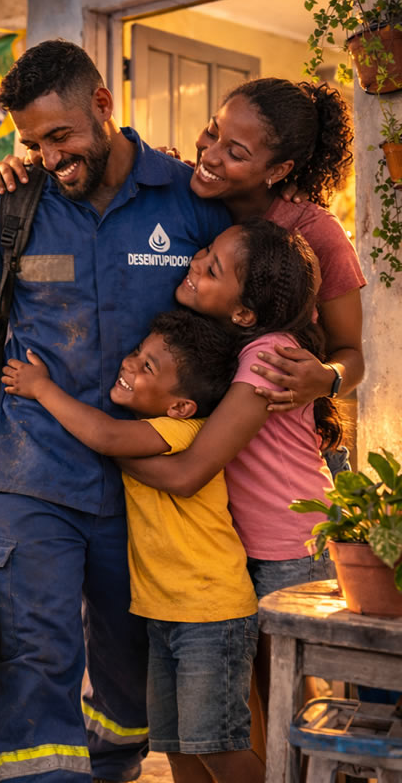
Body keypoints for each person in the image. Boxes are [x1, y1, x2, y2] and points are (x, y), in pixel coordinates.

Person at [0, 39, 231, 783]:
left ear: (103, 105)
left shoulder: (186, 199)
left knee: (128, 655)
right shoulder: (10, 208)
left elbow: (240, 314)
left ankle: (114, 764)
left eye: (61, 137)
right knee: (34, 648)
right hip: (33, 469)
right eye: (33, 144)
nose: (49, 158)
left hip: (146, 482)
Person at [0, 77, 365, 423]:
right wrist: (31, 168)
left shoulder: (313, 233)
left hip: (281, 437)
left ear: (279, 171)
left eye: (235, 153)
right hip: (194, 428)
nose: (210, 155)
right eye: (212, 131)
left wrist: (328, 379)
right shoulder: (175, 192)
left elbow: (352, 355)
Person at [1, 308, 264, 783]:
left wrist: (41, 388)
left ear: (181, 406)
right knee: (178, 748)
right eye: (138, 352)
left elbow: (103, 436)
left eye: (148, 367)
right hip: (166, 613)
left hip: (210, 614)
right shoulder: (152, 431)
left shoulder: (181, 432)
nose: (129, 363)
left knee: (217, 746)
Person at [120, 218, 343, 723]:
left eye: (213, 269)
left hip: (292, 545)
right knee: (262, 695)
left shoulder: (268, 357)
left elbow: (187, 475)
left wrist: (101, 446)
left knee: (287, 696)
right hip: (258, 544)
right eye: (204, 251)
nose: (195, 262)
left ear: (244, 312)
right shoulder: (235, 344)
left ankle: (309, 766)